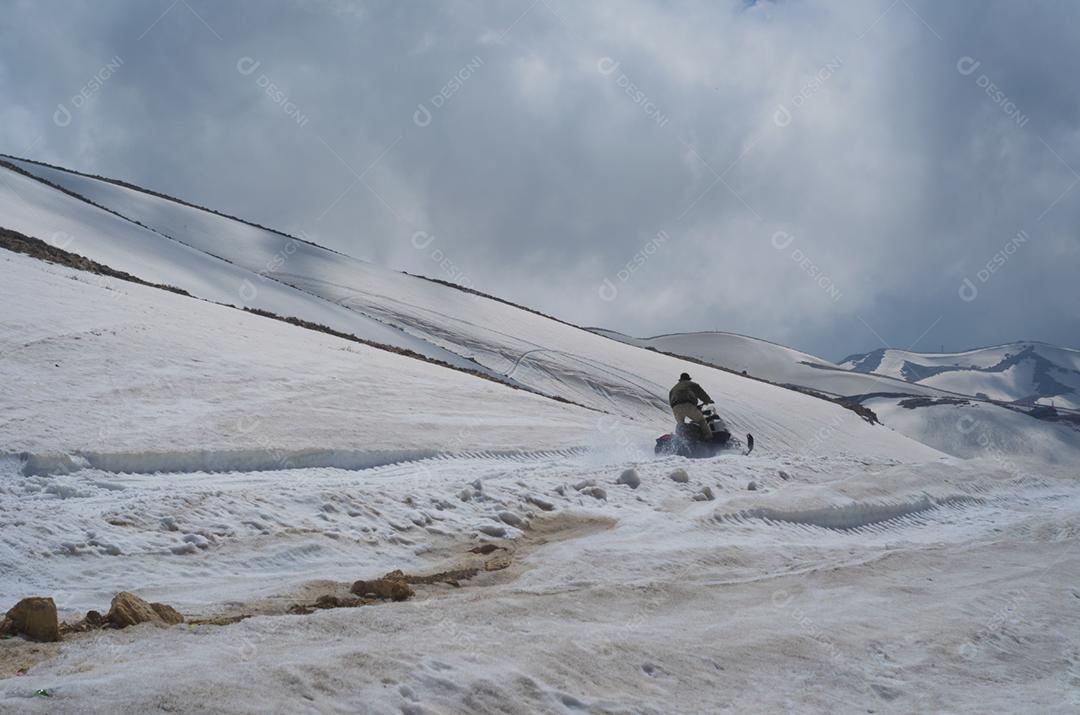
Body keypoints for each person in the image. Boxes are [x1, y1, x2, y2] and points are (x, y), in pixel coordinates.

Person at [669, 372, 714, 439]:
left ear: (680, 380)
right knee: (701, 421)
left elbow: (671, 402)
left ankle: (680, 440)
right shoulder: (692, 384)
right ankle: (709, 438)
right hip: (688, 405)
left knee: (681, 424)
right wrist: (707, 400)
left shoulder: (673, 389)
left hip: (676, 408)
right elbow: (701, 394)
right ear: (688, 379)